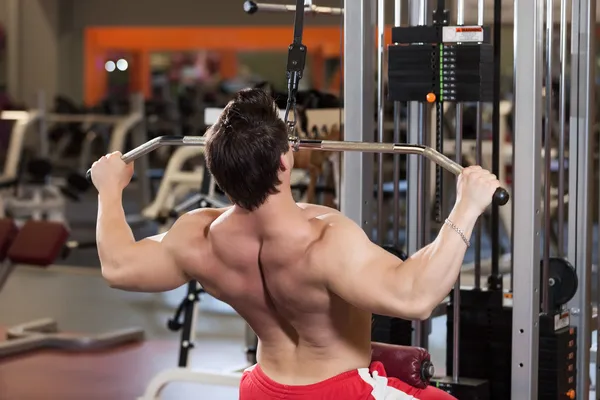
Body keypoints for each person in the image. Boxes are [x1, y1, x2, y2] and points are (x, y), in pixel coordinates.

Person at [91, 88, 501, 400]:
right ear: (286, 161)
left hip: (261, 388)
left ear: (217, 170)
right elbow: (416, 296)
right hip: (339, 391)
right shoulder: (324, 238)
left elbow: (119, 266)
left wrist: (109, 191)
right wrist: (466, 207)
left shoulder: (197, 235)